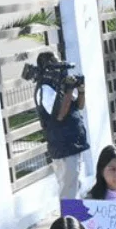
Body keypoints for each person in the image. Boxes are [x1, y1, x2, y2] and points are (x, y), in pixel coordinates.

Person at [31, 50, 89, 198]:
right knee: (68, 191)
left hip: (73, 144)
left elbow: (79, 106)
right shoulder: (44, 89)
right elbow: (60, 114)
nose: (59, 67)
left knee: (76, 186)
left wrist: (81, 90)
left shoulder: (59, 85)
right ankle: (69, 219)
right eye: (55, 64)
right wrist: (68, 90)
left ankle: (76, 219)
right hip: (63, 147)